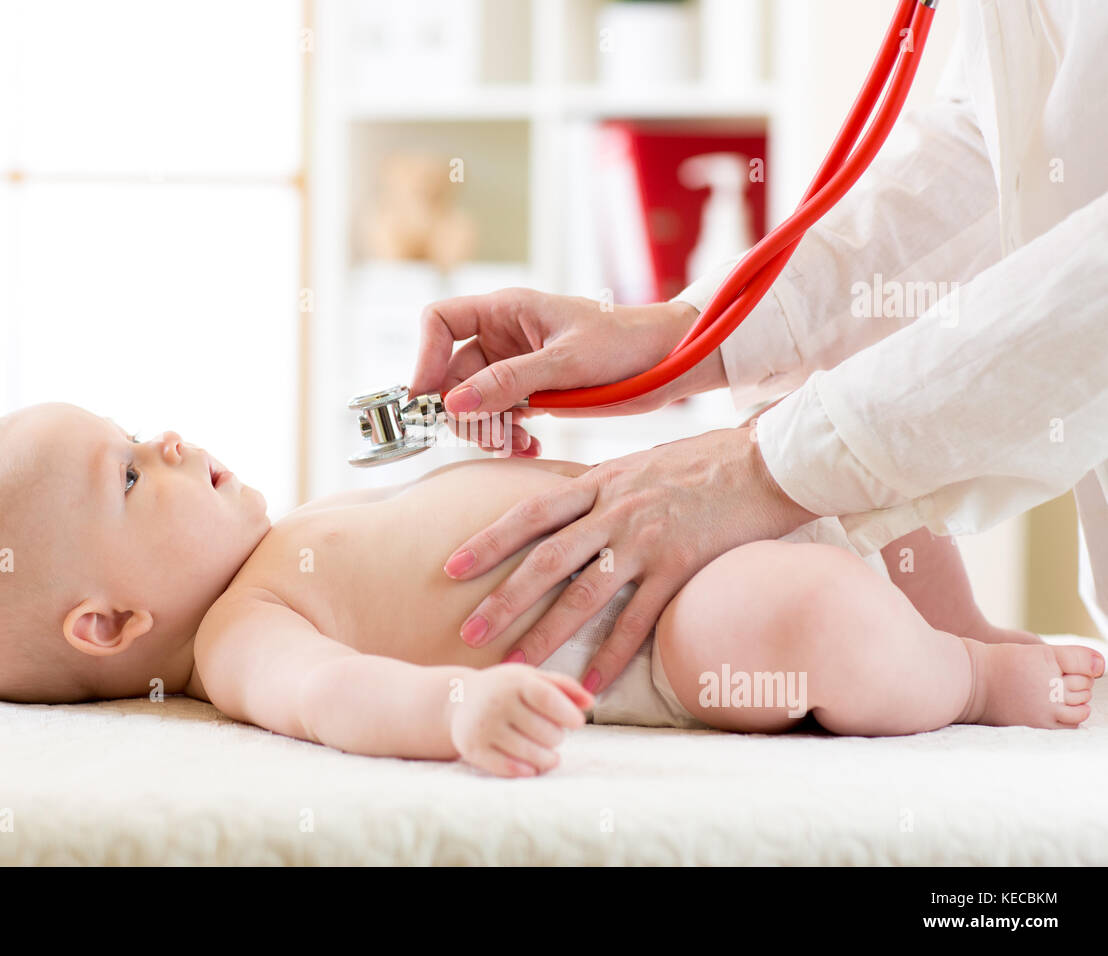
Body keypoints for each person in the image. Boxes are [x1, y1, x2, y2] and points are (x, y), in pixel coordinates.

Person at [412, 0, 1108, 696]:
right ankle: (967, 661)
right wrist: (679, 335)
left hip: (654, 594)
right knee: (810, 608)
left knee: (800, 606)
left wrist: (762, 470)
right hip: (649, 596)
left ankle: (971, 669)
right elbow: (1004, 143)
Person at [0, 404, 1101, 780]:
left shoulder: (291, 525)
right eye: (128, 472)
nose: (165, 439)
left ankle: (967, 623)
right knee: (815, 620)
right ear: (106, 625)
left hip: (682, 517)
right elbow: (339, 697)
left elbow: (446, 495)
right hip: (664, 636)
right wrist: (455, 714)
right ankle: (976, 674)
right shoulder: (241, 636)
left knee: (862, 461)